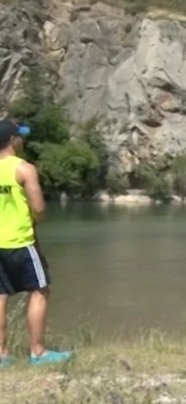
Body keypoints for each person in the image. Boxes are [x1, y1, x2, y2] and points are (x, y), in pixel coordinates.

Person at [0, 120, 72, 367]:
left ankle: (1, 355)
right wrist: (34, 220)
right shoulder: (24, 169)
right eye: (20, 136)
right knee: (40, 291)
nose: (22, 140)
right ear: (12, 140)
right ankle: (38, 352)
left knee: (0, 295)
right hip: (21, 240)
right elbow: (39, 208)